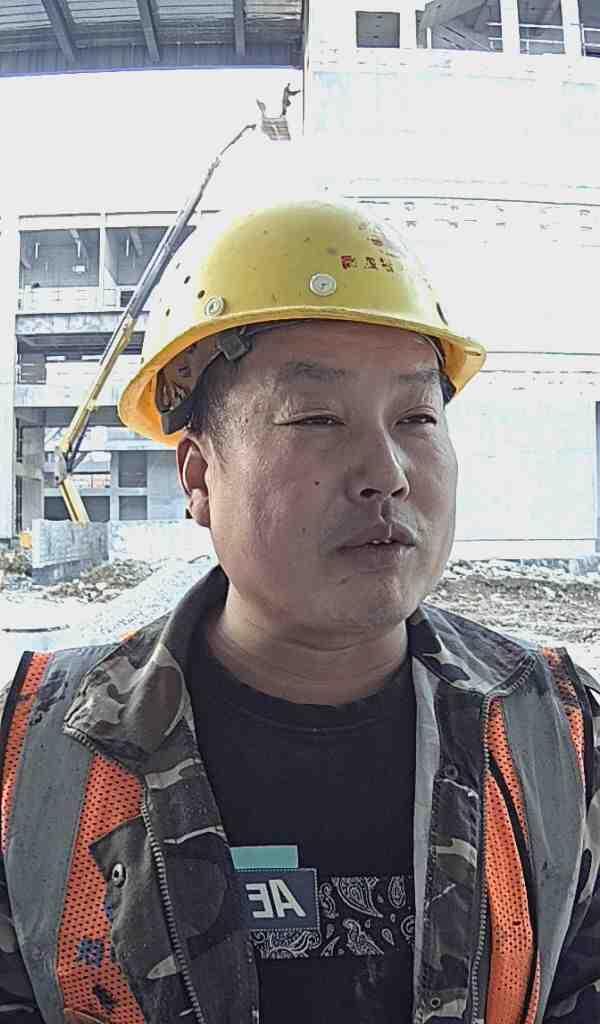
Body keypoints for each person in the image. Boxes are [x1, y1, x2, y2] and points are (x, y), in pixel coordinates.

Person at [0, 200, 598, 1024]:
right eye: (317, 418)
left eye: (416, 418)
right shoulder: (36, 753)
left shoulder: (556, 733)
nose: (387, 472)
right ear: (199, 477)